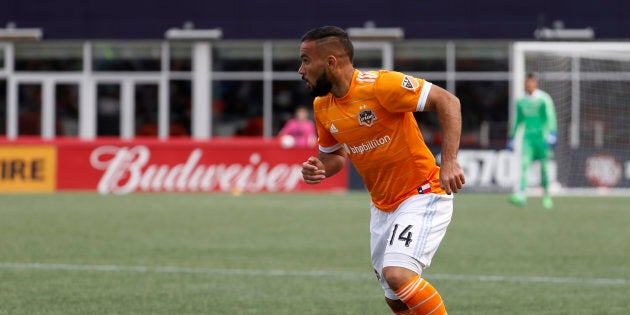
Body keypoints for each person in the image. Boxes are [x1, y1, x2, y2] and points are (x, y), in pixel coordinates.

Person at [299, 26, 465, 315]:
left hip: (422, 191)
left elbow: (448, 101)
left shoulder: (380, 86)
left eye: (305, 60)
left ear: (330, 62)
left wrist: (449, 161)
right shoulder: (322, 106)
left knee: (398, 275)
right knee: (395, 298)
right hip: (383, 207)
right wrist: (319, 168)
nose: (300, 70)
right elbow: (335, 156)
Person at [507, 74, 558, 209]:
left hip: (542, 137)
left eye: (531, 83)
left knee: (544, 168)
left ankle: (547, 195)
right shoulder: (521, 101)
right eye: (527, 83)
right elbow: (518, 120)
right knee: (524, 165)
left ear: (536, 84)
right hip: (527, 138)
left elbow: (550, 116)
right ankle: (521, 196)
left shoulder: (543, 99)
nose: (529, 85)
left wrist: (552, 133)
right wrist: (512, 137)